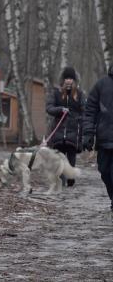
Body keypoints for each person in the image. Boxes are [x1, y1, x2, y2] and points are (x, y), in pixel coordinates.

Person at [46, 66, 85, 187]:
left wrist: (79, 120)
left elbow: (85, 111)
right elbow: (49, 108)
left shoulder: (80, 94)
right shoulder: (56, 93)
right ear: (63, 80)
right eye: (67, 78)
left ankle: (70, 176)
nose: (68, 80)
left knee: (71, 156)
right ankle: (61, 179)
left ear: (74, 80)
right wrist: (60, 109)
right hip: (58, 131)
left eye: (71, 78)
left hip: (73, 131)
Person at [82, 63, 113, 213]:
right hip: (104, 140)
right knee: (105, 172)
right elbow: (90, 111)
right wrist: (88, 134)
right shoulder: (101, 84)